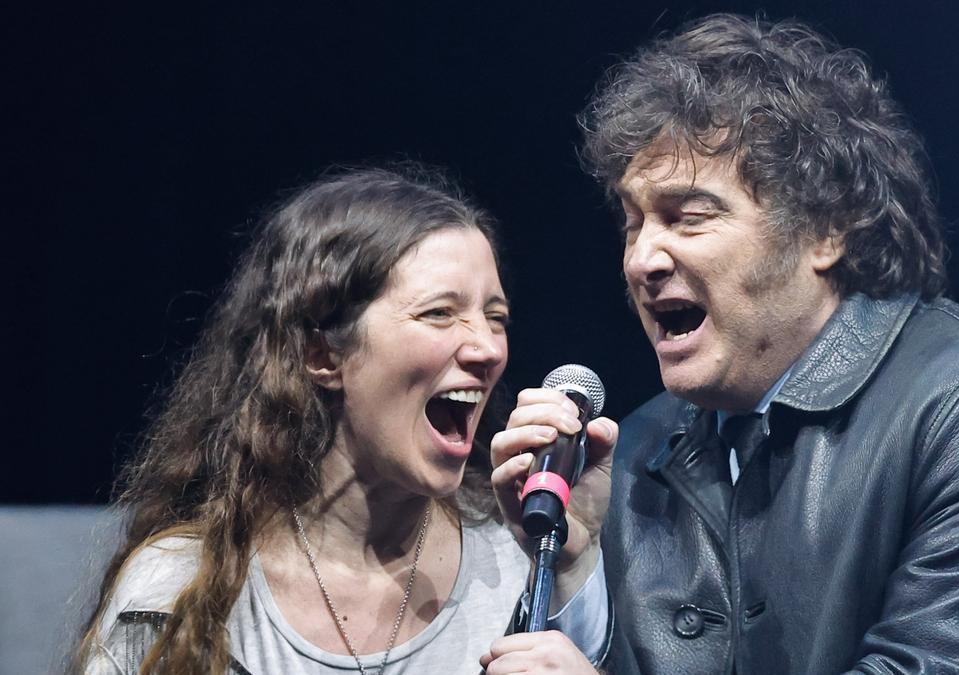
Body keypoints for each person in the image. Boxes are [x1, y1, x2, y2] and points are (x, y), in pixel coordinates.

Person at [490, 13, 959, 674]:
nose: (642, 260)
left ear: (825, 231)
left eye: (687, 216)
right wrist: (577, 567)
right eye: (632, 224)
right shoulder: (626, 459)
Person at [75, 165, 600, 674]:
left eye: (496, 318)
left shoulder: (525, 569)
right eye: (439, 312)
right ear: (321, 353)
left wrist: (574, 566)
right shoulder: (178, 598)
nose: (488, 348)